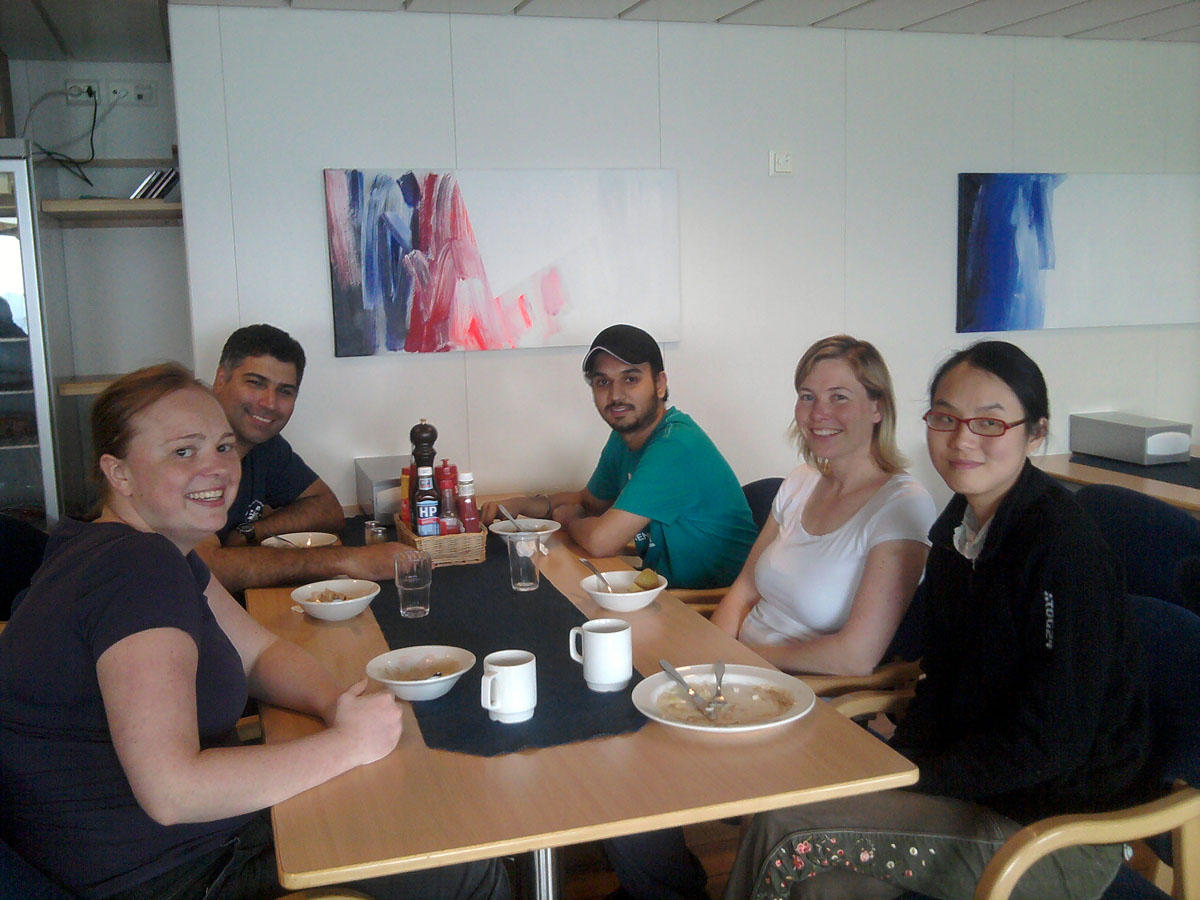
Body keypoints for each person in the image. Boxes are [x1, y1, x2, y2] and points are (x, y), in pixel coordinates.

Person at [0, 363, 509, 900]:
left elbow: (258, 653)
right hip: (167, 873)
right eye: (183, 452)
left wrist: (335, 704)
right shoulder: (135, 570)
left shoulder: (132, 546)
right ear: (119, 473)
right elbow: (172, 791)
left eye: (223, 448)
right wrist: (348, 744)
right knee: (466, 864)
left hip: (158, 851)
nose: (216, 468)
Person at [723, 341, 1155, 900]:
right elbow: (944, 676)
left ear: (1036, 432)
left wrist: (912, 771)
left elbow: (1052, 744)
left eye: (989, 424)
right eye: (946, 418)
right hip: (972, 797)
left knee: (788, 830)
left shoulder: (1062, 549)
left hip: (1053, 828)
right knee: (810, 865)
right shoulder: (958, 530)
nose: (961, 439)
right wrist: (909, 753)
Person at [710, 336, 935, 676]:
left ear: (878, 408)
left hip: (803, 692)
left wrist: (744, 660)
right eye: (807, 397)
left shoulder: (902, 506)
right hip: (738, 670)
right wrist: (709, 660)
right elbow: (743, 591)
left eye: (839, 397)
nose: (818, 413)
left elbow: (854, 658)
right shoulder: (802, 479)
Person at [482, 323, 757, 590]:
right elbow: (589, 501)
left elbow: (602, 541)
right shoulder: (625, 437)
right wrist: (522, 504)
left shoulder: (675, 446)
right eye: (603, 382)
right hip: (665, 589)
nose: (615, 395)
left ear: (660, 384)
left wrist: (568, 521)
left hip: (713, 605)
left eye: (630, 379)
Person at [197, 324, 406, 591]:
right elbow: (207, 569)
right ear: (221, 379)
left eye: (285, 391)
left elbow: (326, 508)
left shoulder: (265, 446)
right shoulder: (189, 452)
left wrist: (249, 532)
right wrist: (348, 559)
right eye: (256, 383)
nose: (269, 403)